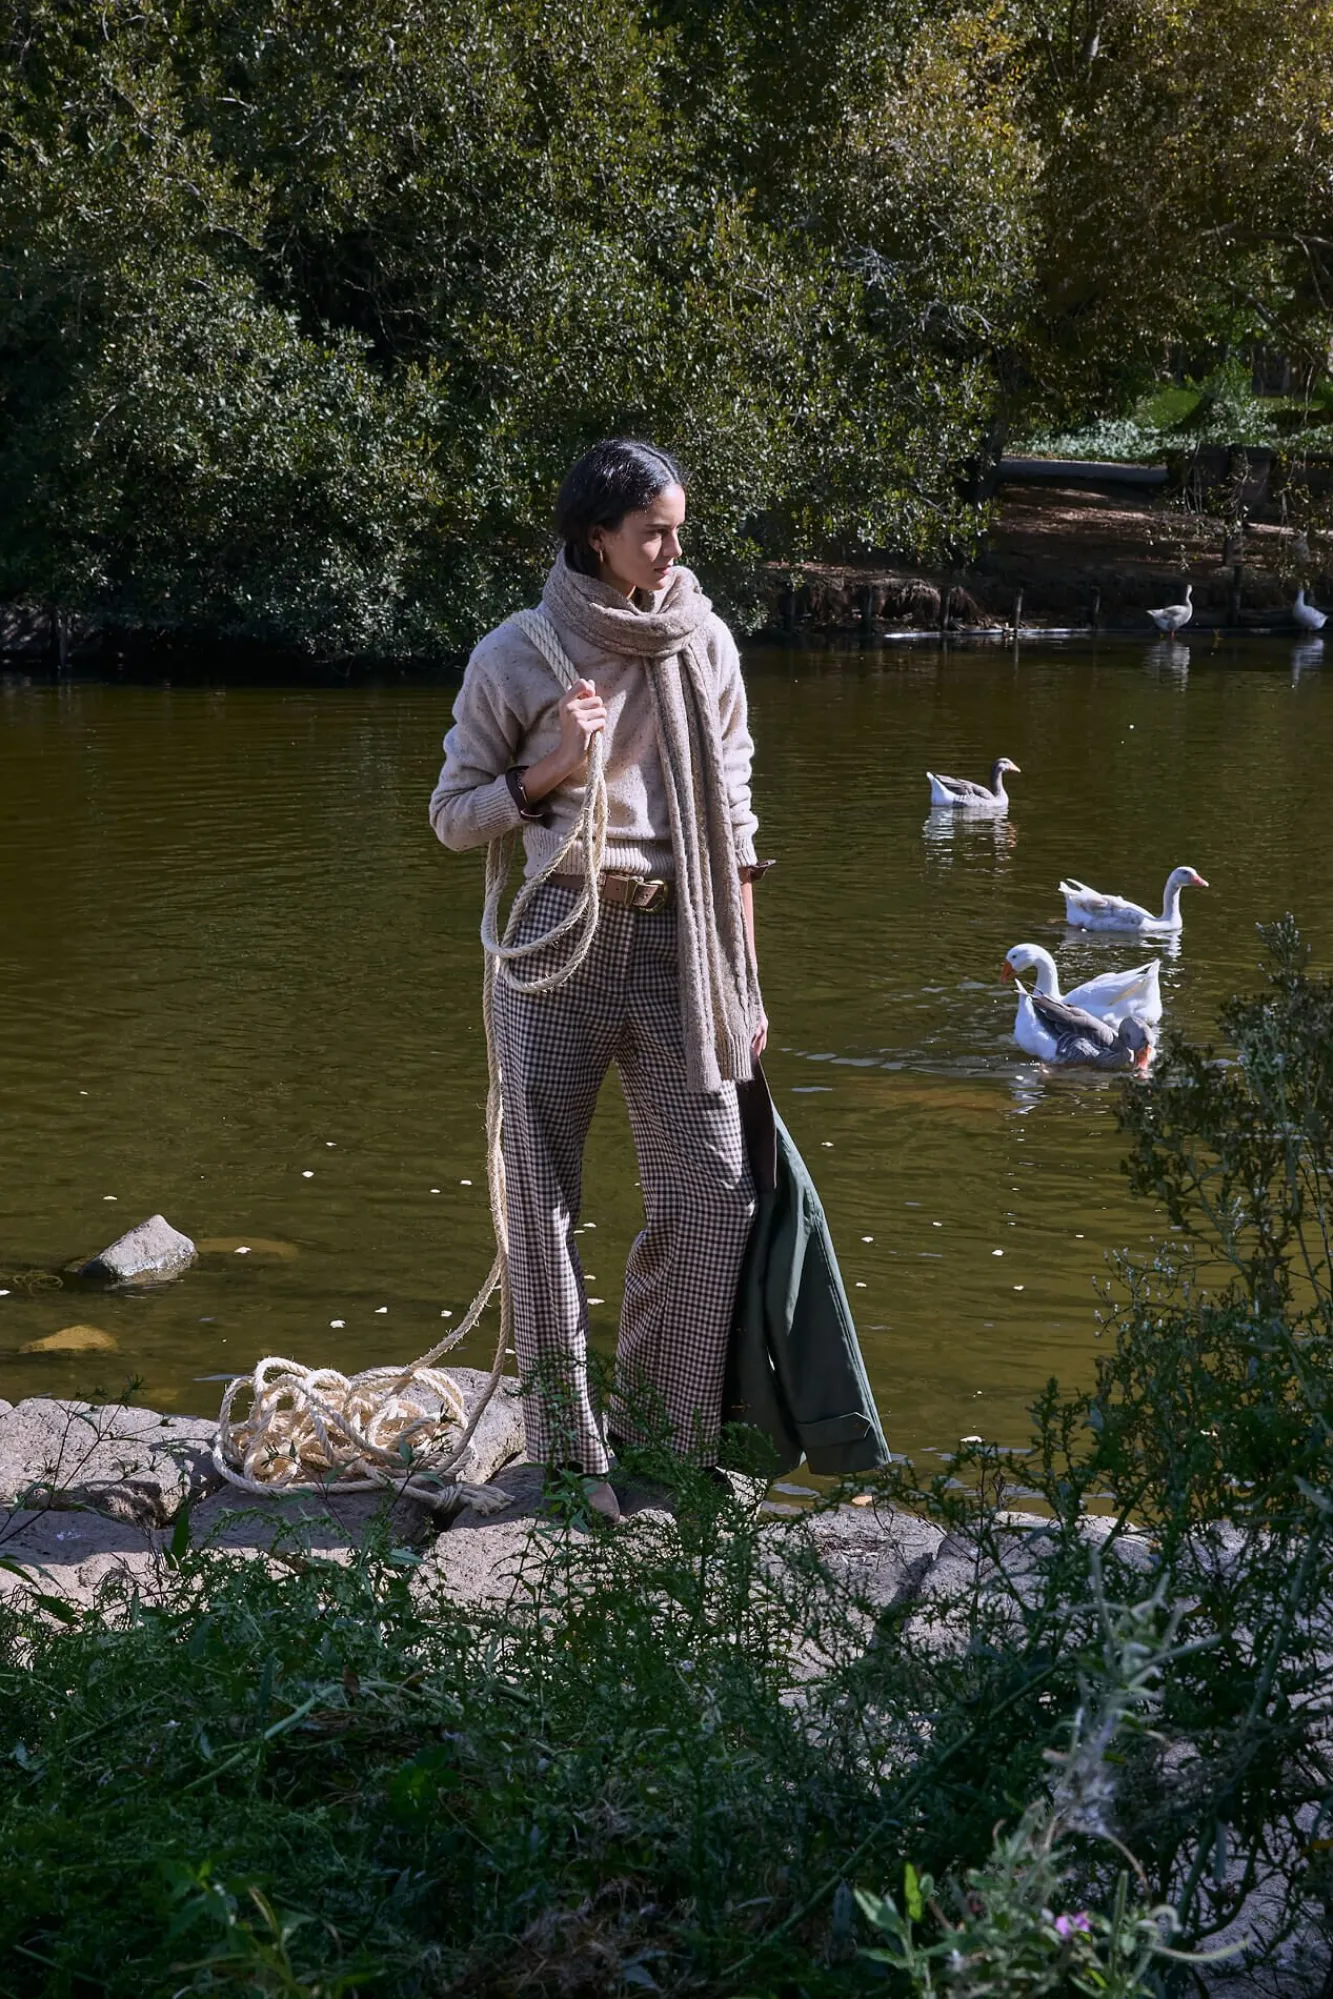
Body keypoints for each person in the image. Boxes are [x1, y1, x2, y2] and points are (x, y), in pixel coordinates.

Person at [429, 439, 769, 1521]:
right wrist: (550, 770)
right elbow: (452, 817)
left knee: (717, 1192)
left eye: (677, 530)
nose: (672, 550)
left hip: (683, 940)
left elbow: (738, 821)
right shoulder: (516, 652)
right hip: (558, 935)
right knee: (539, 1200)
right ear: (595, 535)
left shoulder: (702, 638)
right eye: (653, 532)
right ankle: (568, 1453)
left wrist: (746, 978)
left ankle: (658, 1435)